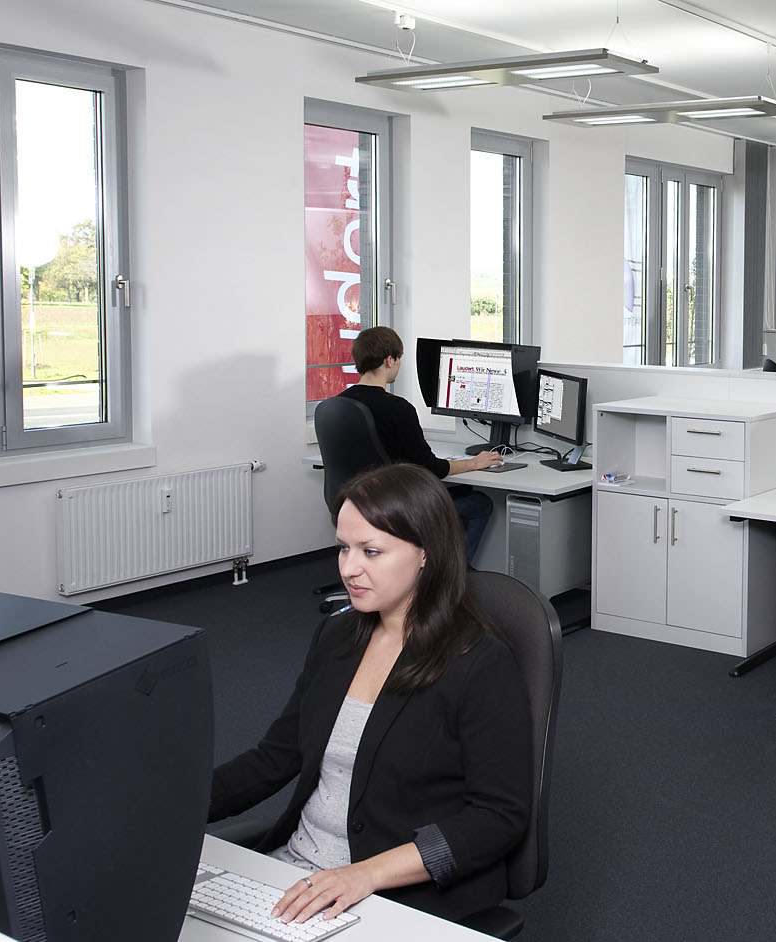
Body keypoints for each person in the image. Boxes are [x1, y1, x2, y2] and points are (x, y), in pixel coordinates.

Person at [208, 463, 533, 924]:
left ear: (427, 553)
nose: (349, 569)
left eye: (371, 551)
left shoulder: (479, 664)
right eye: (344, 548)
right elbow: (276, 756)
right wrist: (172, 803)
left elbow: (498, 817)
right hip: (300, 876)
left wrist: (364, 874)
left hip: (393, 893)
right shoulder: (337, 637)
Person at [338, 326, 503, 566]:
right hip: (396, 506)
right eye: (399, 359)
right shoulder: (397, 409)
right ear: (389, 360)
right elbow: (431, 468)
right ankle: (451, 577)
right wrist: (475, 463)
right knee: (480, 503)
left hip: (357, 501)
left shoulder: (338, 404)